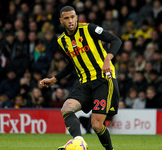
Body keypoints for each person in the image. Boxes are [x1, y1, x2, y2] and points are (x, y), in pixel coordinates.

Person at [39, 6, 122, 150]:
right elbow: (73, 63)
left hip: (103, 80)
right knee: (66, 109)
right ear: (61, 21)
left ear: (76, 17)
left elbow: (116, 40)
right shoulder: (62, 41)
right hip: (84, 83)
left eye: (73, 17)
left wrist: (108, 58)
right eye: (66, 18)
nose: (70, 21)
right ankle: (79, 141)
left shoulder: (89, 29)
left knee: (96, 125)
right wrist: (55, 79)